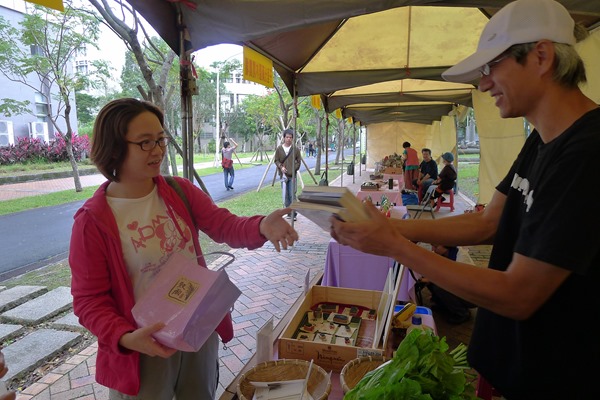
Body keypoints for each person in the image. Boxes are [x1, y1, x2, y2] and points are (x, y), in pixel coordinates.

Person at [330, 0, 600, 398]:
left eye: (492, 67)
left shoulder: (587, 152)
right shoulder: (541, 140)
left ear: (541, 56)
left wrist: (397, 246)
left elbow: (519, 294)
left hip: (553, 373)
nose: (484, 83)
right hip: (508, 356)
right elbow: (487, 222)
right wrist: (391, 227)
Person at [69, 98, 299, 400]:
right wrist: (124, 337)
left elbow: (223, 225)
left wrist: (260, 227)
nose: (158, 149)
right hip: (144, 349)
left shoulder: (178, 190)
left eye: (161, 139)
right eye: (145, 142)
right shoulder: (93, 221)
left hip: (197, 330)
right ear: (114, 148)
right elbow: (89, 300)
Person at [425, 244, 476, 325]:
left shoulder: (461, 258)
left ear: (445, 247)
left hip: (470, 295)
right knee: (430, 280)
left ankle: (462, 313)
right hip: (458, 288)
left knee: (440, 286)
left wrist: (434, 279)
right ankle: (443, 305)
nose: (433, 249)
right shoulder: (444, 254)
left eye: (436, 246)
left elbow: (457, 282)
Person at [274, 128, 302, 220]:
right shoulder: (279, 149)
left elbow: (299, 161)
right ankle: (288, 213)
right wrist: (281, 167)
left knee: (292, 194)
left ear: (292, 138)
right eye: (287, 137)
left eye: (290, 137)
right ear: (284, 138)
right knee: (285, 195)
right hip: (283, 176)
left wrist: (294, 169)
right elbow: (276, 160)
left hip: (292, 176)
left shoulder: (295, 149)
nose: (288, 139)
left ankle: (294, 214)